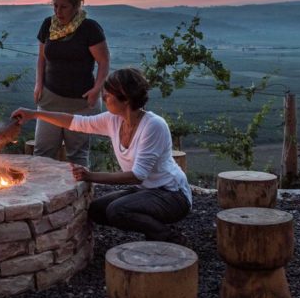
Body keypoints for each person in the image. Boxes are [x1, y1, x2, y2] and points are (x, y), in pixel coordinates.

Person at [13, 67, 191, 244]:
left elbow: (137, 176)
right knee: (97, 210)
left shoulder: (153, 126)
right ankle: (151, 224)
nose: (103, 97)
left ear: (125, 98)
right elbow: (76, 122)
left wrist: (90, 176)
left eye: (108, 94)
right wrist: (34, 114)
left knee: (118, 210)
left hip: (171, 194)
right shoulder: (114, 119)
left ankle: (168, 237)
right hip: (146, 190)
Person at [33, 0, 109, 166]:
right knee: (42, 152)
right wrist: (38, 84)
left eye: (64, 7)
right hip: (50, 100)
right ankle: (41, 194)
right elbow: (42, 58)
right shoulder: (48, 25)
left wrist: (97, 89)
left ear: (76, 6)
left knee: (77, 155)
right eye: (55, 6)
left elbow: (104, 61)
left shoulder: (89, 28)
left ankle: (81, 193)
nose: (58, 11)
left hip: (80, 103)